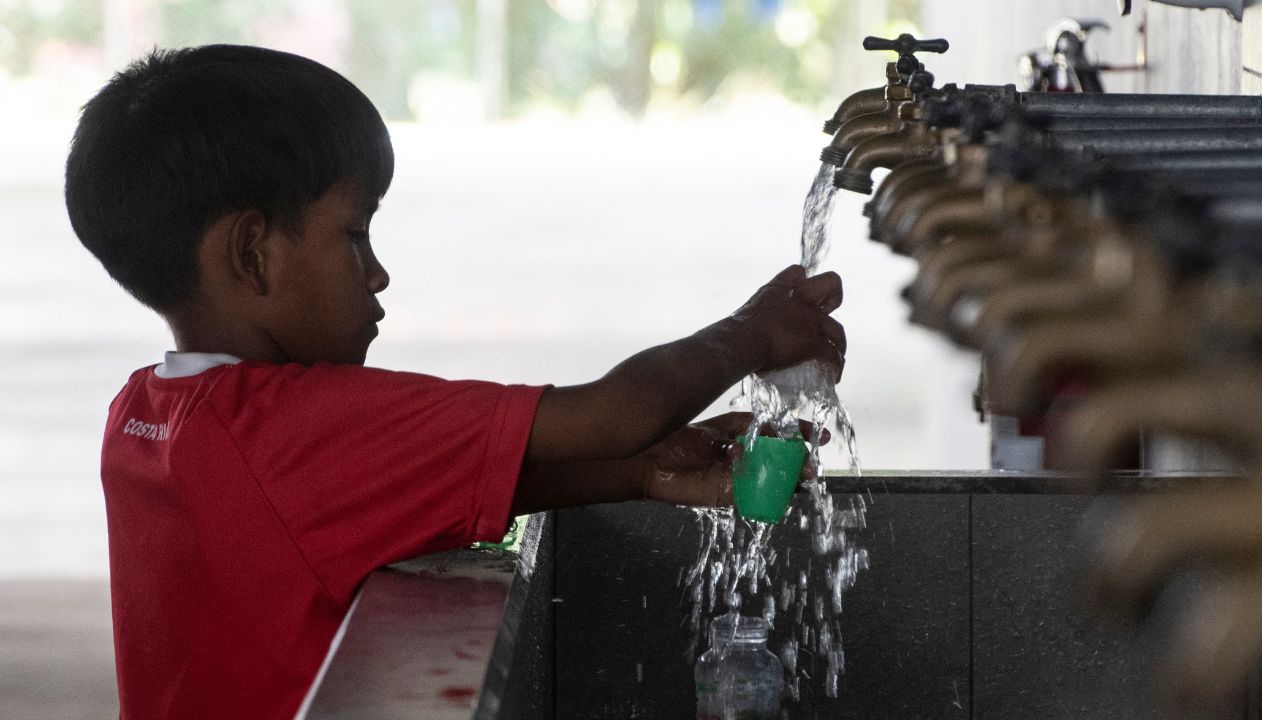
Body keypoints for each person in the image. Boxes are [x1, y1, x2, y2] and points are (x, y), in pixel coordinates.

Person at [64, 44, 845, 719]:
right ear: (251, 253)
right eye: (354, 232)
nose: (377, 273)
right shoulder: (296, 422)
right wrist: (750, 333)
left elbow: (387, 495)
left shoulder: (147, 414)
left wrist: (641, 470)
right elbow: (615, 411)